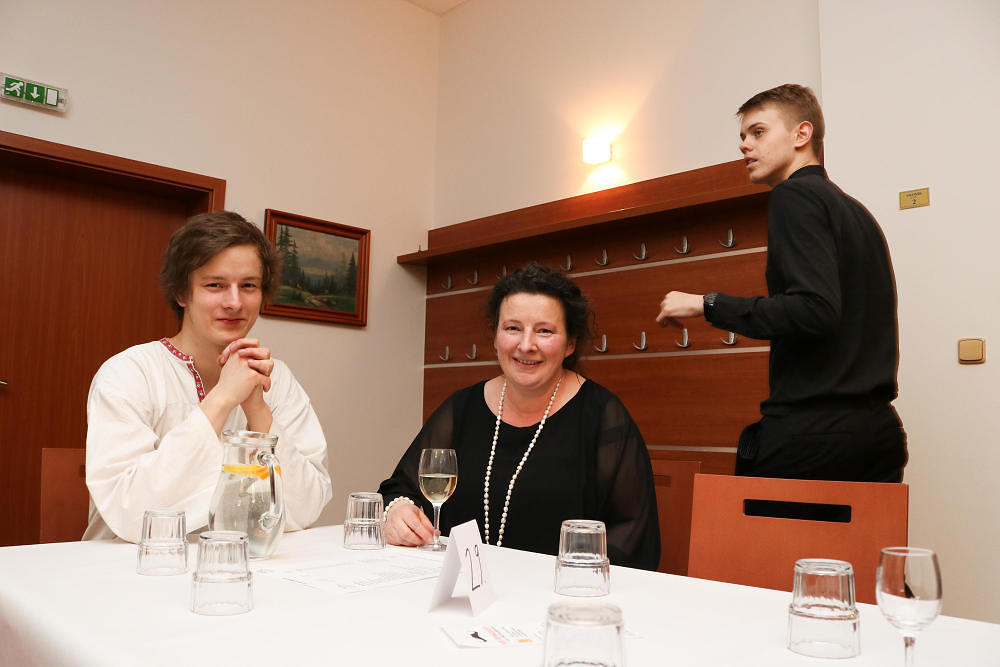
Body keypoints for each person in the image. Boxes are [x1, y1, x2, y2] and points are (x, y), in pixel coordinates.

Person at [655, 83, 907, 483]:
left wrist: (706, 304)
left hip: (815, 438)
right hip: (876, 435)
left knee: (761, 529)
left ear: (801, 134)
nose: (744, 145)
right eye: (742, 136)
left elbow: (815, 310)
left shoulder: (794, 197)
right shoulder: (855, 212)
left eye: (758, 132)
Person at [379, 264, 660, 570]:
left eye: (544, 331)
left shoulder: (603, 415)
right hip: (462, 588)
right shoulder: (462, 407)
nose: (526, 345)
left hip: (560, 592)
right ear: (495, 337)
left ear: (570, 343)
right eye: (513, 328)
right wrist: (397, 512)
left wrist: (572, 580)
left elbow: (633, 532)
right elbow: (400, 489)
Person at [84, 211, 332, 542]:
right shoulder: (128, 373)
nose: (234, 302)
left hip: (240, 564)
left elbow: (307, 508)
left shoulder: (278, 378)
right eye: (215, 285)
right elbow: (132, 513)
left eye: (249, 286)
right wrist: (223, 399)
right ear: (181, 293)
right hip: (132, 564)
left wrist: (257, 410)